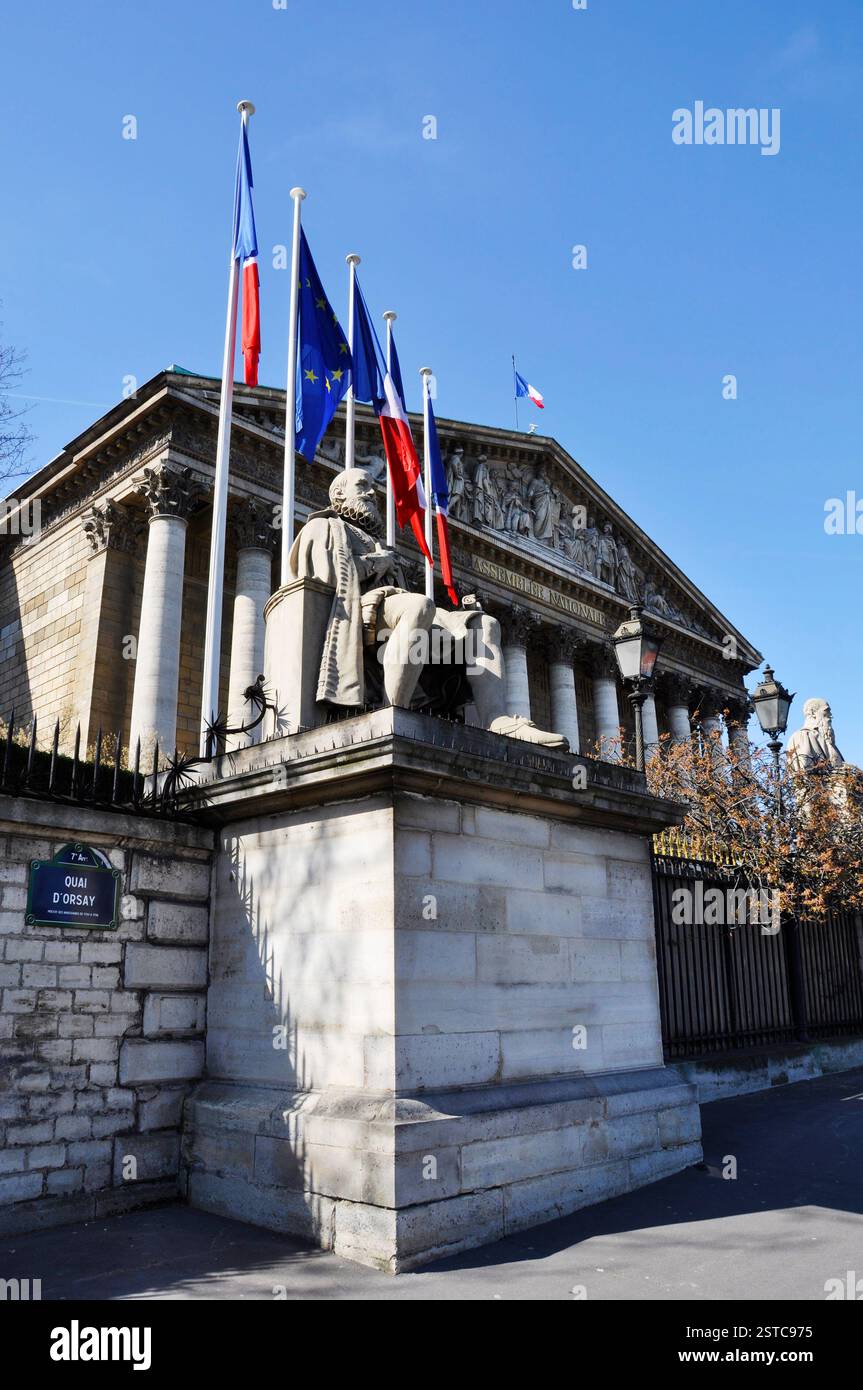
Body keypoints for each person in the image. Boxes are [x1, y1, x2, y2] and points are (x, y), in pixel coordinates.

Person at [288, 468, 568, 749]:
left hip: (393, 612)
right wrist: (374, 563)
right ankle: (392, 713)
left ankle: (498, 720)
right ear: (338, 494)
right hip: (350, 612)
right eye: (363, 486)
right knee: (420, 605)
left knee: (484, 624)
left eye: (373, 487)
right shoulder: (323, 527)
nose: (373, 493)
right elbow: (323, 578)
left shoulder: (376, 541)